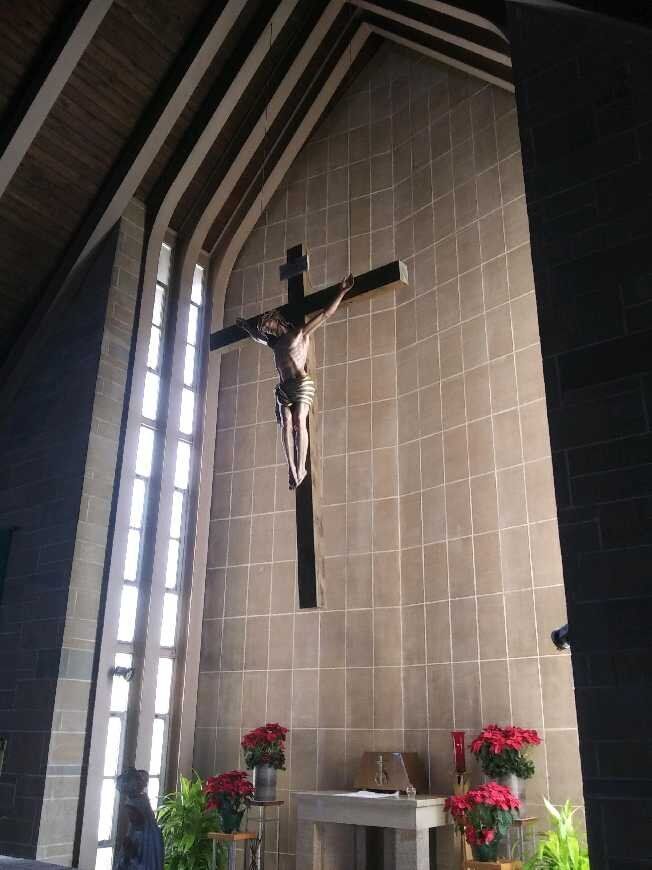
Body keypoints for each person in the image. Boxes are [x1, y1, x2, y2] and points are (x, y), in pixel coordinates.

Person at [237, 272, 354, 489]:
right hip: (284, 388)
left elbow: (326, 314)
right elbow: (257, 336)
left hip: (301, 384)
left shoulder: (299, 334)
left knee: (300, 421)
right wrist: (246, 327)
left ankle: (302, 467)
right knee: (286, 425)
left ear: (277, 320)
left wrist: (342, 291)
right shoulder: (274, 344)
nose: (266, 327)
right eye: (265, 326)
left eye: (268, 323)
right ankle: (292, 467)